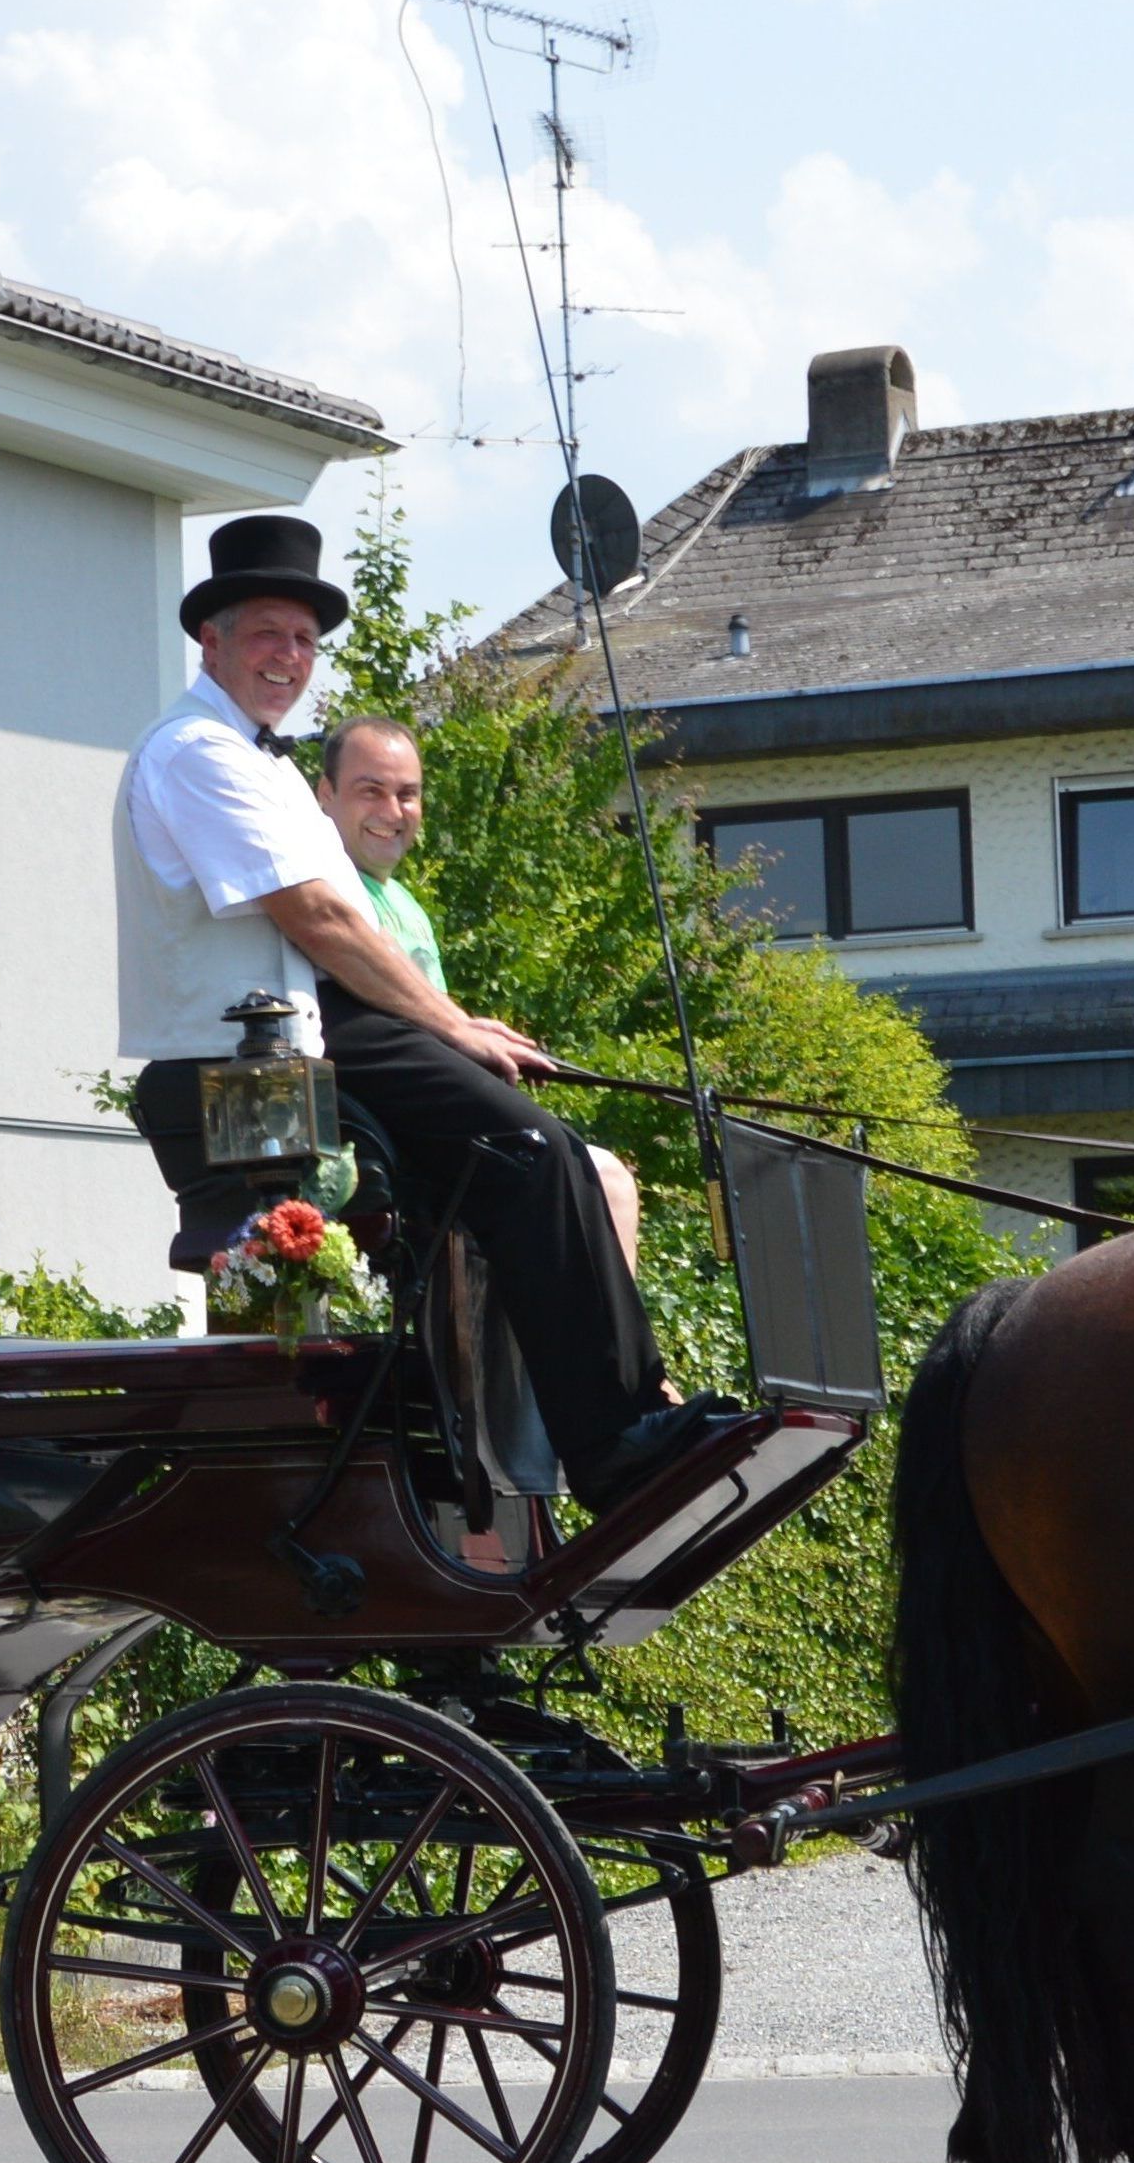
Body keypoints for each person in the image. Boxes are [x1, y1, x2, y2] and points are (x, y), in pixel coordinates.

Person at [115, 514, 725, 1514]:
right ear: (210, 640)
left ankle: (542, 1432)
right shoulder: (196, 752)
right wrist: (450, 1027)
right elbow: (314, 915)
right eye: (267, 632)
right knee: (527, 1151)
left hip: (306, 1044)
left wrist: (471, 1033)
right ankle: (612, 1443)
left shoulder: (263, 764)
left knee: (547, 1155)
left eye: (305, 640)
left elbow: (353, 920)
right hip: (244, 1063)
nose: (289, 657)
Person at [315, 713, 646, 1273]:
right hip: (387, 1137)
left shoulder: (406, 904)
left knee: (607, 1178)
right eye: (371, 791)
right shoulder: (330, 884)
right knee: (596, 1178)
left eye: (408, 795)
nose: (393, 813)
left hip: (433, 1116)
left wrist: (473, 1030)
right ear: (325, 795)